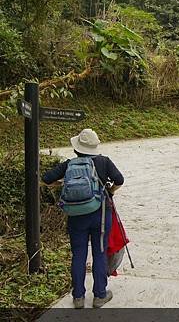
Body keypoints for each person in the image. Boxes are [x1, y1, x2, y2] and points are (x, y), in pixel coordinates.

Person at [42, 129, 124, 309]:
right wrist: (109, 191)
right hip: (100, 215)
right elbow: (120, 180)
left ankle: (78, 297)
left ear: (77, 148)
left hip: (76, 217)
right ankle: (100, 295)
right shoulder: (104, 162)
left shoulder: (69, 164)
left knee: (78, 255)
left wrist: (61, 185)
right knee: (99, 253)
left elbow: (46, 179)